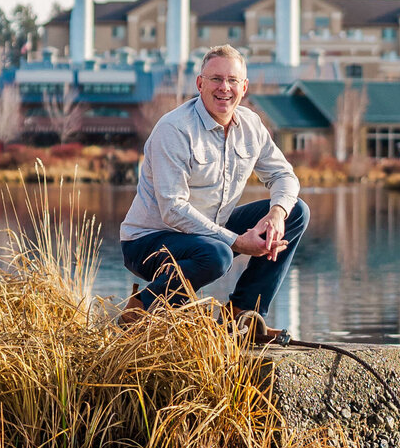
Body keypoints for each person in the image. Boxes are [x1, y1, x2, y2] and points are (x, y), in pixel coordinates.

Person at [119, 45, 310, 335]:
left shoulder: (251, 125)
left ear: (244, 87)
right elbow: (173, 209)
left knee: (296, 211)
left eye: (233, 80)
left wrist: (276, 214)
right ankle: (142, 308)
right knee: (218, 255)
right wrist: (236, 242)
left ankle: (244, 315)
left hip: (207, 234)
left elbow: (284, 175)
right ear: (200, 84)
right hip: (147, 242)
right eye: (216, 79)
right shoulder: (174, 129)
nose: (225, 88)